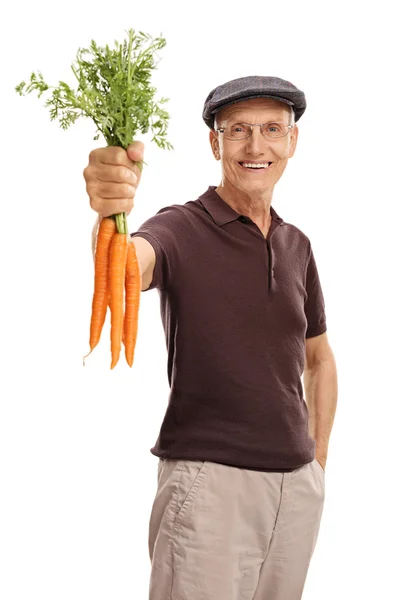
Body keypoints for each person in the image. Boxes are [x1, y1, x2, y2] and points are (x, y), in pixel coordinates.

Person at [84, 75, 338, 600]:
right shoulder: (181, 227)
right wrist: (109, 213)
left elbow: (319, 357)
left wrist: (316, 461)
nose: (256, 146)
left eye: (272, 129)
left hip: (294, 490)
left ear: (293, 141)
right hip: (210, 485)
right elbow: (128, 262)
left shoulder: (297, 245)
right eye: (238, 130)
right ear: (214, 143)